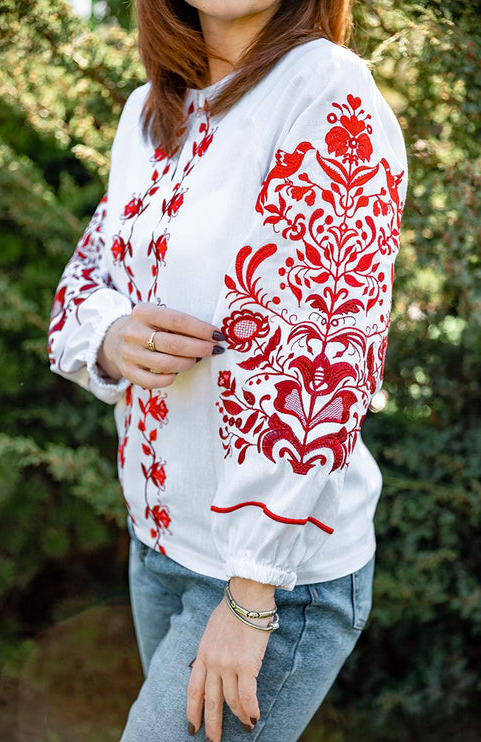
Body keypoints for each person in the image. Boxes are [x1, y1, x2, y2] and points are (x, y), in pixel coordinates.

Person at [48, 0, 407, 740]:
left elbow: (326, 353)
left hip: (270, 578)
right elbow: (83, 285)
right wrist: (113, 337)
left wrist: (250, 596)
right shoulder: (148, 112)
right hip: (159, 549)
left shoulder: (326, 90)